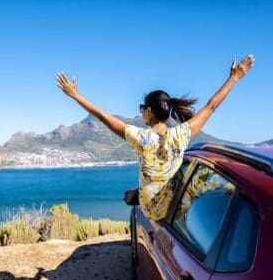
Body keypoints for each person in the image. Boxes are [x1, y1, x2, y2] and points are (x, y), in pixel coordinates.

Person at [56, 54, 255, 220]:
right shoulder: (181, 134)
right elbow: (211, 106)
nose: (141, 111)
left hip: (154, 211)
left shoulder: (140, 137)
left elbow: (102, 116)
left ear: (149, 111)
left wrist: (76, 95)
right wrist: (235, 78)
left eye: (142, 108)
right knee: (201, 178)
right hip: (178, 207)